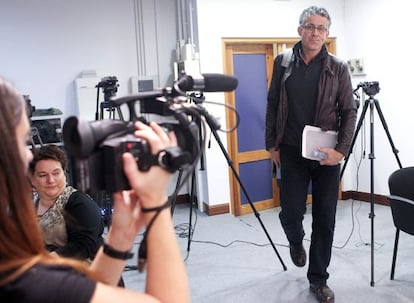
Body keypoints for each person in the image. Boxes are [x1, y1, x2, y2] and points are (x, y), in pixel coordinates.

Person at [0, 77, 190, 303]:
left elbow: (84, 289)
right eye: (22, 142)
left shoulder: (76, 203)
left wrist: (120, 236)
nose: (28, 155)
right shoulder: (24, 280)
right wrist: (156, 199)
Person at [265, 6, 356, 303]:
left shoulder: (338, 67)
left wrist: (340, 152)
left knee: (325, 219)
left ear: (327, 34)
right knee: (291, 212)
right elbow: (272, 104)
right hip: (291, 152)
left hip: (325, 154)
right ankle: (295, 240)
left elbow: (349, 112)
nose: (315, 32)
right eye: (310, 26)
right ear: (300, 30)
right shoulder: (283, 62)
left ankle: (318, 280)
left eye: (321, 28)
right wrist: (271, 144)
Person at [29, 144, 104, 262]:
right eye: (43, 175)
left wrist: (45, 260)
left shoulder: (80, 203)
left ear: (64, 173)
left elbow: (84, 246)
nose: (51, 180)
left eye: (56, 173)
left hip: (88, 274)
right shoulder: (30, 207)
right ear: (32, 179)